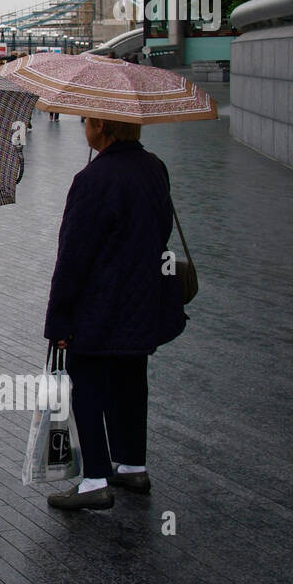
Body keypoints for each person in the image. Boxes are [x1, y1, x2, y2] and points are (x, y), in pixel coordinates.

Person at [42, 116, 186, 510]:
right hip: (142, 300)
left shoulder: (93, 179)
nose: (84, 127)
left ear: (102, 127)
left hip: (99, 305)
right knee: (130, 379)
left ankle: (94, 480)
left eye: (87, 121)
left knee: (87, 383)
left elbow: (73, 257)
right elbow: (160, 228)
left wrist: (59, 319)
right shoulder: (154, 167)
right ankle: (132, 464)